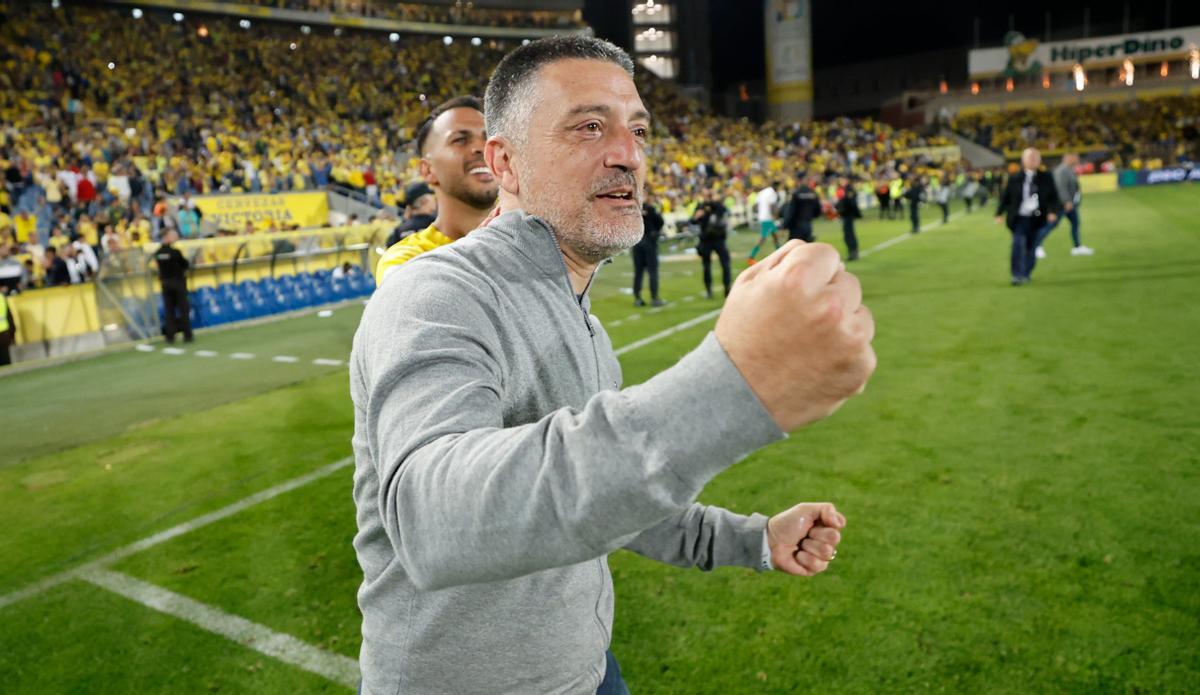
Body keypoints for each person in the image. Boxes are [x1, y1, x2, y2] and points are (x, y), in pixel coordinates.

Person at [351, 36, 875, 695]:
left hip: (588, 670)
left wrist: (753, 540)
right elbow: (431, 520)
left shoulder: (585, 323)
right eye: (589, 127)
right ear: (504, 161)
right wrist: (735, 384)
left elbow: (608, 492)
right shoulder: (433, 293)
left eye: (638, 130)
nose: (628, 154)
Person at [375, 96, 500, 284]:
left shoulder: (533, 239)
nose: (481, 148)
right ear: (428, 170)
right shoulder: (406, 258)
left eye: (487, 138)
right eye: (460, 140)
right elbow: (405, 288)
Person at [996, 148, 1060, 286]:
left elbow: (1053, 197)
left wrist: (1052, 211)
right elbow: (1006, 197)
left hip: (1037, 218)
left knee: (1032, 247)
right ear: (1023, 160)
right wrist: (999, 213)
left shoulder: (1046, 177)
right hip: (1019, 217)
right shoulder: (1014, 178)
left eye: (1035, 157)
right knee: (1017, 244)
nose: (1033, 160)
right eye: (1030, 157)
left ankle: (1026, 273)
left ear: (1040, 160)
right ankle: (1016, 275)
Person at [1035, 153, 1093, 258]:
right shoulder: (1062, 171)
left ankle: (1077, 247)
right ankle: (1036, 246)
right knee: (1051, 224)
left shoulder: (1069, 169)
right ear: (1068, 158)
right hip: (1062, 204)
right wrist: (1066, 201)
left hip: (1070, 204)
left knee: (1075, 223)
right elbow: (1060, 187)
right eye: (1075, 158)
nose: (1077, 159)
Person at [154, 229, 193, 343]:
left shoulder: (158, 253)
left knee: (169, 310)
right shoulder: (175, 252)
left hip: (165, 283)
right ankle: (187, 335)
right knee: (183, 309)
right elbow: (185, 264)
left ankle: (170, 337)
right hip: (177, 282)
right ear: (166, 237)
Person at [693, 188, 732, 299]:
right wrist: (697, 216)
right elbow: (693, 221)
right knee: (706, 266)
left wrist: (711, 204)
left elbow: (723, 211)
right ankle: (709, 290)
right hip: (706, 240)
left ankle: (727, 288)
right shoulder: (700, 206)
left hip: (719, 239)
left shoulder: (718, 206)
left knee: (725, 265)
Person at [632, 191, 664, 307]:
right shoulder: (651, 209)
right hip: (649, 242)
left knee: (638, 272)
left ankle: (637, 298)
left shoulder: (633, 208)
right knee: (652, 271)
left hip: (637, 242)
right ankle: (654, 298)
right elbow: (660, 222)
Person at [747, 179, 781, 261]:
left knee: (775, 235)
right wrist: (775, 216)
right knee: (763, 238)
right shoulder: (772, 193)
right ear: (777, 186)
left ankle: (780, 254)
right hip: (768, 218)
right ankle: (751, 256)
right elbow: (772, 205)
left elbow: (755, 207)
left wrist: (761, 212)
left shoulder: (762, 192)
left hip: (762, 217)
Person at [782, 176, 821, 242]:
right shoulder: (813, 193)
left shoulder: (796, 193)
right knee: (806, 248)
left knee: (795, 248)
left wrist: (785, 225)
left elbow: (791, 212)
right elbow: (818, 210)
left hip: (796, 227)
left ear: (798, 181)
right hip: (808, 225)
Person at [836, 177, 862, 261]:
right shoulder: (843, 189)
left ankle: (853, 252)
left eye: (842, 180)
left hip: (848, 215)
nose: (841, 181)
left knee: (848, 234)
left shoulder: (849, 190)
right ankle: (852, 252)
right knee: (848, 233)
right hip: (845, 215)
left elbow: (850, 203)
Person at [0, 286, 13, 366]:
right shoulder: (1, 297)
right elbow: (9, 316)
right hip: (4, 332)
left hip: (4, 333)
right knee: (6, 360)